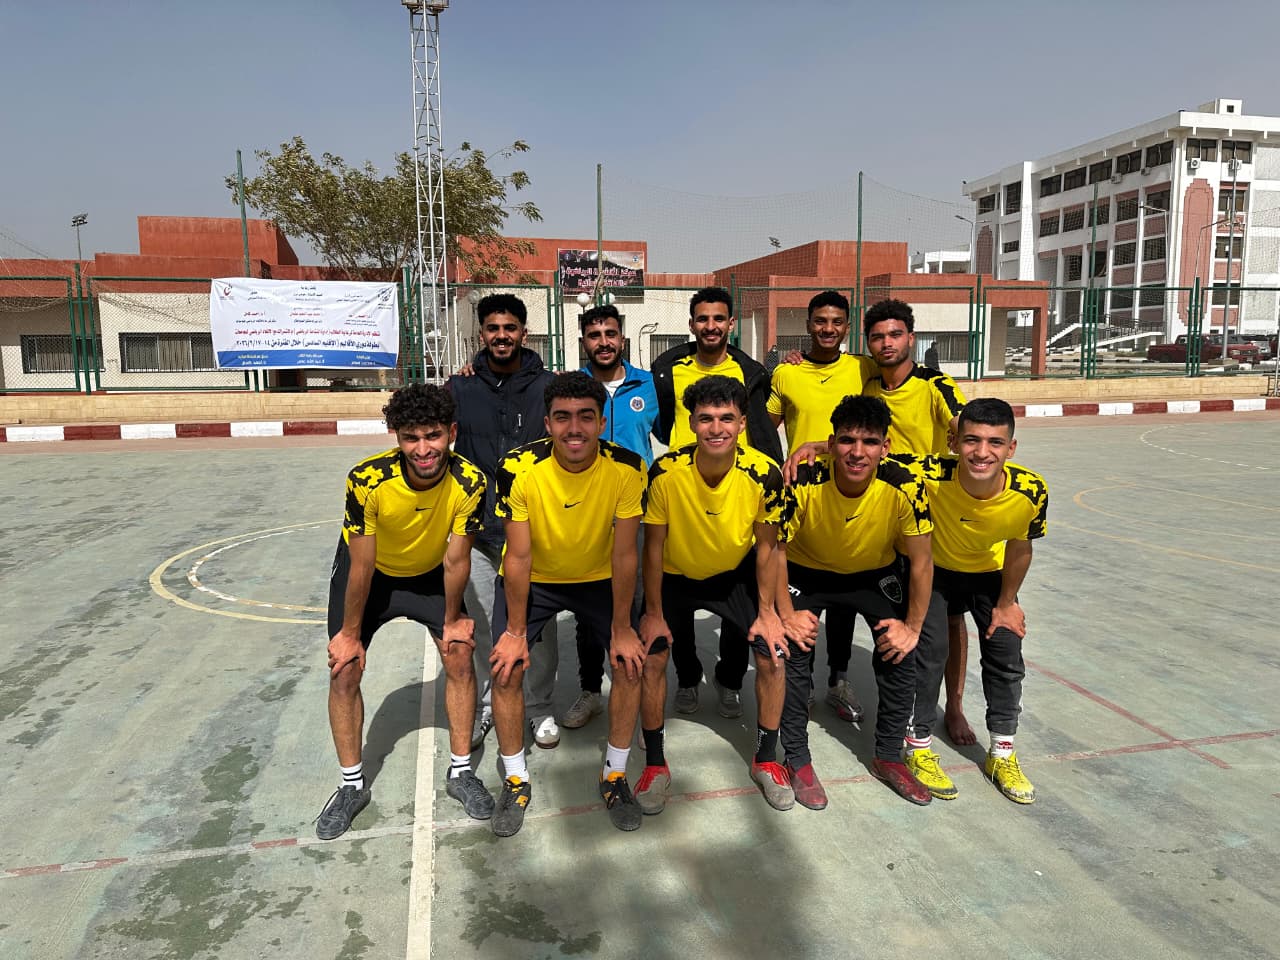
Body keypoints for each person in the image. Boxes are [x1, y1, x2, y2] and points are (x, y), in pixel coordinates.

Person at [316, 384, 492, 840]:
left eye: (432, 435)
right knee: (345, 668)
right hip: (372, 576)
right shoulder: (367, 479)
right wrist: (350, 634)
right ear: (396, 437)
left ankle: (461, 772)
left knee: (459, 652)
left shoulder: (470, 481)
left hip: (429, 573)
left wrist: (452, 620)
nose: (423, 448)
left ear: (451, 433)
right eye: (411, 437)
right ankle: (352, 786)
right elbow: (362, 565)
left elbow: (457, 559)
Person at [488, 372, 649, 835]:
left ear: (602, 422)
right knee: (506, 667)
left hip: (598, 579)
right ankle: (515, 780)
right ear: (547, 423)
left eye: (585, 417)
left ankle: (615, 775)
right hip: (536, 578)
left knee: (629, 664)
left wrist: (623, 627)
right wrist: (516, 633)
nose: (574, 428)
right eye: (562, 417)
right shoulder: (517, 467)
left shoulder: (628, 467)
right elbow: (518, 556)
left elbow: (626, 554)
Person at [636, 376, 794, 815]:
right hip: (676, 575)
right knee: (651, 657)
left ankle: (766, 759)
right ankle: (654, 765)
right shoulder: (666, 472)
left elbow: (767, 548)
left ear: (742, 423)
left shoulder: (764, 472)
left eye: (727, 418)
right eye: (706, 419)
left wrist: (769, 612)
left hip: (733, 575)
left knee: (773, 655)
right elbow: (652, 548)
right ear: (691, 423)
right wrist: (652, 611)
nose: (716, 428)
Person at [775, 395, 935, 809]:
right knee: (793, 649)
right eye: (847, 440)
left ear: (885, 447)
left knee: (900, 651)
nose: (857, 452)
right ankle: (797, 758)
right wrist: (787, 614)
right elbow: (775, 550)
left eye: (870, 442)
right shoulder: (803, 479)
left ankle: (888, 756)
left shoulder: (905, 485)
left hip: (872, 573)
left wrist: (912, 628)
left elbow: (921, 561)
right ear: (831, 444)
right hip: (807, 572)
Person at [901, 397, 1048, 805]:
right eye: (971, 440)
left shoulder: (1030, 491)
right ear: (954, 443)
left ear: (1011, 449)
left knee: (1006, 648)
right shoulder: (929, 471)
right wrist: (818, 447)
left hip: (988, 574)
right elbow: (872, 456)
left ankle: (1001, 752)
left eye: (995, 442)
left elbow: (1020, 547)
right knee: (929, 651)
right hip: (936, 572)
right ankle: (917, 746)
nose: (982, 452)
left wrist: (1007, 603)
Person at [651, 287, 783, 718]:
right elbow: (661, 419)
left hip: (733, 491)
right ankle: (688, 678)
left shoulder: (749, 371)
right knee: (678, 605)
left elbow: (760, 422)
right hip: (684, 490)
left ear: (731, 323)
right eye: (703, 319)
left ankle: (730, 681)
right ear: (692, 324)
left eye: (718, 318)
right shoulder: (668, 367)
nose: (711, 326)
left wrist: (770, 474)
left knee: (738, 601)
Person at [447, 293, 562, 753]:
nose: (501, 336)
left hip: (531, 529)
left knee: (538, 624)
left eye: (509, 328)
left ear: (524, 333)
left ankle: (539, 706)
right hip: (476, 531)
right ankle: (486, 705)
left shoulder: (548, 387)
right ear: (481, 335)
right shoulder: (460, 389)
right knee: (479, 623)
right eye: (493, 328)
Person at [860, 299, 975, 749]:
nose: (886, 343)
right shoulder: (867, 382)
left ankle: (955, 706)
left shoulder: (934, 384)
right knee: (899, 613)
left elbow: (964, 423)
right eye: (877, 337)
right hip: (884, 516)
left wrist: (965, 438)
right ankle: (900, 704)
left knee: (948, 618)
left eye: (894, 334)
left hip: (932, 521)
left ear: (911, 337)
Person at [767, 290, 878, 727]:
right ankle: (803, 685)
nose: (828, 329)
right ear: (808, 323)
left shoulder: (863, 368)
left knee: (845, 596)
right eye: (820, 321)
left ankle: (839, 680)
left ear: (847, 326)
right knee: (803, 596)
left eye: (836, 322)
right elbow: (764, 430)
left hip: (854, 491)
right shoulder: (786, 373)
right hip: (804, 498)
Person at [562, 303, 659, 731]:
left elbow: (674, 431)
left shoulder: (649, 384)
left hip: (636, 510)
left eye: (610, 334)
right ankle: (590, 690)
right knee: (588, 606)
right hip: (586, 512)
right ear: (583, 341)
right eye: (594, 335)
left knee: (636, 600)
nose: (603, 342)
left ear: (622, 338)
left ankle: (634, 685)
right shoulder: (572, 387)